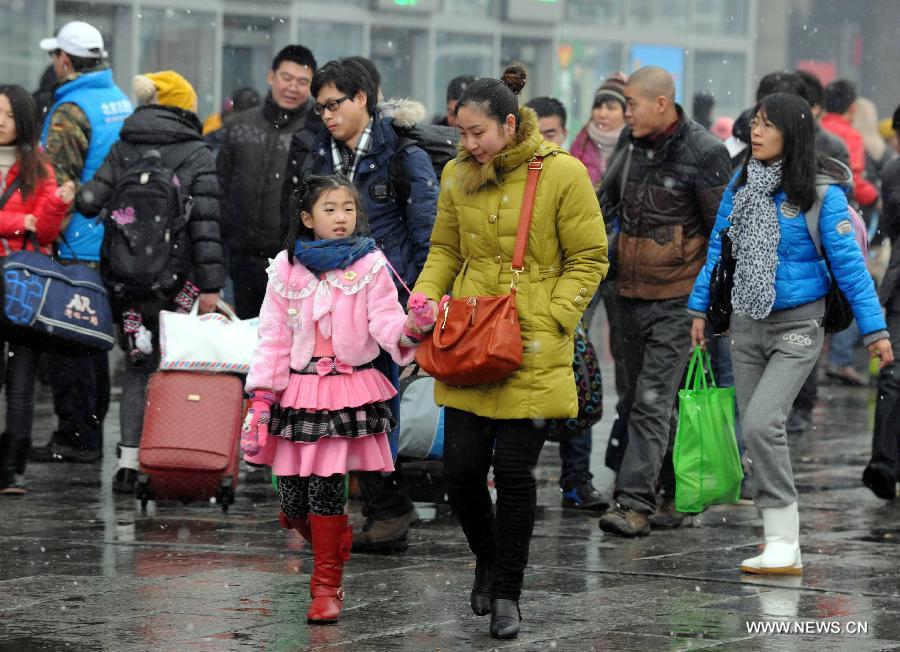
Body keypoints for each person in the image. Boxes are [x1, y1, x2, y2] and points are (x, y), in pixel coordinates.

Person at [413, 64, 607, 639]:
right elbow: (445, 248)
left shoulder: (563, 173)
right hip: (472, 336)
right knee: (462, 472)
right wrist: (426, 299)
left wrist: (553, 314)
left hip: (535, 345)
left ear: (509, 123)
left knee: (515, 472)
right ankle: (489, 557)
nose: (467, 144)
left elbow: (591, 257)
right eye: (461, 133)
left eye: (478, 133)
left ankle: (507, 593)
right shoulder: (455, 175)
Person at [688, 92, 893, 574]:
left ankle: (785, 537)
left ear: (792, 133)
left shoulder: (822, 193)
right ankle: (779, 541)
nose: (755, 132)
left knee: (761, 423)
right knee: (756, 432)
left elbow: (853, 270)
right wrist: (700, 309)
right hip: (745, 322)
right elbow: (719, 255)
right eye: (754, 123)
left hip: (799, 325)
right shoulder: (741, 185)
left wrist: (875, 331)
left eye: (766, 124)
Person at [240, 174, 433, 624]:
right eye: (330, 209)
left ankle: (326, 586)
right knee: (291, 502)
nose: (341, 217)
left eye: (348, 208)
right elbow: (271, 337)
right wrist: (262, 398)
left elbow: (386, 321)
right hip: (295, 389)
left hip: (347, 388)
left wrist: (413, 326)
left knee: (328, 486)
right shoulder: (284, 270)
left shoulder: (370, 264)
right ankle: (334, 540)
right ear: (307, 218)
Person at [289, 57, 440, 553]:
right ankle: (374, 507)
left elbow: (427, 234)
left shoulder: (401, 153)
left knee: (378, 408)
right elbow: (299, 223)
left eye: (335, 104)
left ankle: (389, 508)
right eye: (320, 107)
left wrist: (419, 300)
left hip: (387, 302)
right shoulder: (317, 153)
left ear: (362, 99)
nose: (327, 115)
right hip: (330, 304)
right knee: (344, 407)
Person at [74, 71, 226, 493]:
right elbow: (207, 227)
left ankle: (127, 462)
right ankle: (170, 457)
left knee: (138, 367)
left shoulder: (125, 145)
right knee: (176, 367)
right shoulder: (197, 152)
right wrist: (211, 286)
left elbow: (89, 202)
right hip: (180, 283)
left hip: (127, 283)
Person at [597, 66, 731, 537]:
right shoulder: (630, 145)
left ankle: (634, 501)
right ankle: (676, 491)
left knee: (653, 402)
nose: (623, 112)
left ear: (660, 102)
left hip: (679, 301)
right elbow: (605, 203)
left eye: (630, 103)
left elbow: (723, 233)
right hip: (629, 294)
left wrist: (708, 307)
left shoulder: (705, 152)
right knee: (639, 398)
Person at [32, 21, 132, 464]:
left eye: (57, 56)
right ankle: (90, 427)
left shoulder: (71, 110)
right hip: (112, 237)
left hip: (76, 243)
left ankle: (76, 435)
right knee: (94, 340)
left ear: (66, 60)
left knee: (68, 339)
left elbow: (56, 183)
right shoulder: (118, 100)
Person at [525, 94, 608, 512]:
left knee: (577, 384)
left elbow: (588, 252)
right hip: (518, 305)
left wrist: (564, 309)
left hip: (562, 305)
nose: (541, 142)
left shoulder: (570, 175)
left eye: (551, 133)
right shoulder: (510, 176)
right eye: (534, 133)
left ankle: (577, 480)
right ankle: (521, 479)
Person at [0, 85, 75, 494]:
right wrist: (18, 222)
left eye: (9, 116)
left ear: (24, 121)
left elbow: (45, 230)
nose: (0, 122)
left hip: (23, 286)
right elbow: (24, 224)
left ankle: (12, 467)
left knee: (22, 380)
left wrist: (55, 206)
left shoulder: (39, 166)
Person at [217, 44, 322, 319]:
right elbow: (220, 188)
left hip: (293, 262)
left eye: (302, 82)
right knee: (244, 346)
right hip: (239, 259)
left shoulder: (315, 133)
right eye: (286, 78)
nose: (292, 87)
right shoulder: (239, 126)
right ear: (271, 77)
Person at [863, 109, 900, 500]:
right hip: (899, 289)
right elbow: (890, 227)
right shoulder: (893, 171)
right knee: (892, 375)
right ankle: (884, 464)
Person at [570, 73, 628, 188]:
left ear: (626, 112)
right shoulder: (580, 144)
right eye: (598, 106)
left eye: (611, 108)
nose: (602, 114)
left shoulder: (634, 146)